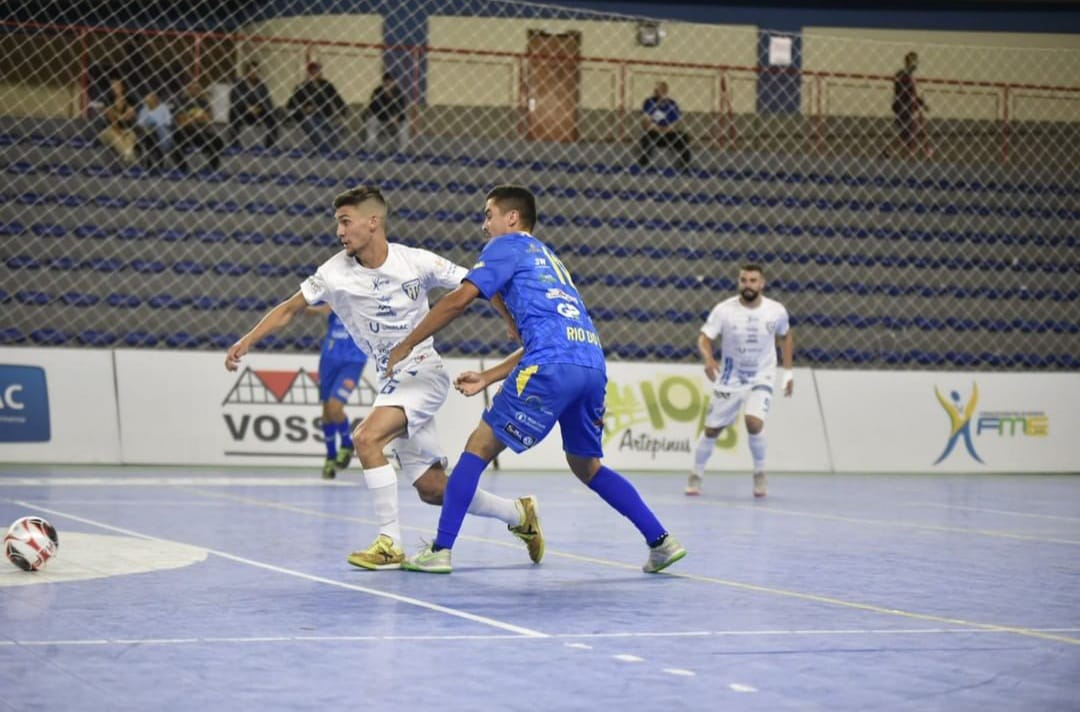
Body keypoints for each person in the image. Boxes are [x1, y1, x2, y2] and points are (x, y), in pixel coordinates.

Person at [224, 186, 543, 571]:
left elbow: (476, 285)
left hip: (424, 372)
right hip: (391, 380)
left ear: (372, 222)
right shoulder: (333, 273)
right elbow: (290, 309)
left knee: (365, 437)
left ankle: (390, 542)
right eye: (337, 224)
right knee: (431, 488)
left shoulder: (415, 261)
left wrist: (510, 322)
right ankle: (518, 513)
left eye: (346, 222)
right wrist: (247, 340)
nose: (340, 232)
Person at [385, 185, 686, 575]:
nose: (484, 225)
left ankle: (440, 550)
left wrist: (408, 343)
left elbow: (459, 300)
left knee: (477, 450)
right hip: (591, 364)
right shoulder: (550, 259)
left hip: (551, 366)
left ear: (512, 218)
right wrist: (489, 376)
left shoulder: (505, 247)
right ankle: (661, 542)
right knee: (587, 466)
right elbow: (550, 336)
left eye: (488, 214)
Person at [687, 264, 793, 499]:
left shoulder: (776, 311)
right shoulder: (724, 310)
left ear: (762, 283)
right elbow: (704, 338)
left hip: (762, 375)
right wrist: (708, 359)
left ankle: (760, 473)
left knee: (753, 422)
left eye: (753, 280)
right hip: (730, 377)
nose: (748, 285)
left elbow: (786, 337)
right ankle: (696, 473)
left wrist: (788, 373)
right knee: (712, 429)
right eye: (744, 280)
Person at [307, 305, 369, 480]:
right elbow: (314, 309)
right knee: (327, 411)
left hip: (353, 361)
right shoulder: (337, 296)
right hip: (329, 359)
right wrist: (305, 307)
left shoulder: (367, 299)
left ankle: (347, 444)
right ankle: (331, 457)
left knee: (335, 406)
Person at [287, 62, 347, 153]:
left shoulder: (327, 85)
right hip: (308, 117)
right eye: (313, 71)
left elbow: (338, 99)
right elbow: (290, 104)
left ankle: (325, 149)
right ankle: (324, 151)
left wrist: (342, 113)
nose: (316, 73)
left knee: (341, 127)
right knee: (310, 124)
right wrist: (304, 108)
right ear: (309, 73)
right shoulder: (302, 87)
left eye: (318, 71)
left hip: (324, 117)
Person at [636, 81, 691, 171]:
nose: (660, 92)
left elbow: (674, 126)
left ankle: (685, 166)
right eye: (657, 90)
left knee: (683, 137)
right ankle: (643, 164)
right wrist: (657, 128)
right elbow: (646, 124)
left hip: (668, 134)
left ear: (666, 91)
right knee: (647, 137)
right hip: (654, 133)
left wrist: (663, 128)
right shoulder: (649, 102)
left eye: (662, 90)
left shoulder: (672, 104)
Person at [175, 79, 224, 172]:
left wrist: (191, 118)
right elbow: (181, 121)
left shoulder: (204, 102)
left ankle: (211, 168)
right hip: (186, 132)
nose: (195, 90)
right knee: (176, 139)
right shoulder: (182, 102)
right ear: (188, 89)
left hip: (200, 132)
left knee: (218, 142)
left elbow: (209, 120)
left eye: (197, 88)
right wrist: (196, 119)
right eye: (192, 88)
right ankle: (182, 168)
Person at [228, 62, 279, 148]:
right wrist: (247, 107)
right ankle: (234, 142)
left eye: (256, 72)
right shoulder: (239, 85)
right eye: (252, 72)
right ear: (247, 73)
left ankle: (270, 144)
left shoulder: (262, 86)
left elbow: (268, 102)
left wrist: (259, 108)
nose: (254, 74)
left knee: (273, 114)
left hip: (258, 113)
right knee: (233, 112)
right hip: (243, 112)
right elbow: (234, 99)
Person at [889, 51, 929, 158]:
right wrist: (921, 103)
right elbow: (908, 93)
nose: (916, 64)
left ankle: (896, 151)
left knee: (909, 131)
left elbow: (912, 94)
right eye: (914, 62)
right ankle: (897, 151)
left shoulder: (907, 76)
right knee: (908, 131)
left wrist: (921, 103)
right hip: (903, 107)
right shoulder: (903, 76)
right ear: (909, 62)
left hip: (908, 107)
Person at [364, 72, 408, 153]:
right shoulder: (377, 92)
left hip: (393, 122)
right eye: (386, 83)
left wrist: (396, 119)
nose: (388, 85)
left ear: (394, 83)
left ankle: (401, 152)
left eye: (390, 82)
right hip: (380, 120)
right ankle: (369, 150)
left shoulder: (399, 94)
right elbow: (372, 109)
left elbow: (402, 113)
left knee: (404, 124)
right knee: (371, 121)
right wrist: (386, 97)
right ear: (383, 82)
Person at [97, 78, 137, 164]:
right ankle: (128, 154)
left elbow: (129, 117)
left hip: (125, 130)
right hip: (108, 130)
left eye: (117, 86)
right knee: (116, 136)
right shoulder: (107, 100)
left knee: (132, 135)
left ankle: (128, 155)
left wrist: (117, 115)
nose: (115, 88)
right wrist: (120, 119)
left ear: (122, 87)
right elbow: (111, 118)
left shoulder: (130, 100)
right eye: (113, 86)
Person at [134, 90, 175, 173]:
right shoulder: (143, 110)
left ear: (155, 99)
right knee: (147, 135)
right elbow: (139, 125)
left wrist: (156, 125)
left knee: (158, 131)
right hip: (147, 132)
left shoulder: (163, 108)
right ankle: (149, 163)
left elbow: (168, 123)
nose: (148, 101)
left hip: (161, 133)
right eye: (147, 100)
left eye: (151, 99)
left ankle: (157, 162)